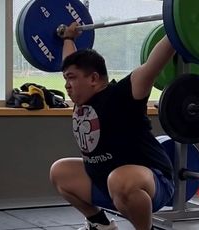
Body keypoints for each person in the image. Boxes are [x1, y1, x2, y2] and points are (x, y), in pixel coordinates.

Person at [49, 22, 176, 230]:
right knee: (60, 172)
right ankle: (100, 224)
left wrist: (176, 30)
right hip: (105, 183)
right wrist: (68, 38)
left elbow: (153, 65)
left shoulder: (123, 94)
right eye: (65, 78)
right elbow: (70, 61)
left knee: (120, 180)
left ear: (93, 78)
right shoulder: (82, 99)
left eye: (71, 78)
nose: (66, 85)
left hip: (152, 183)